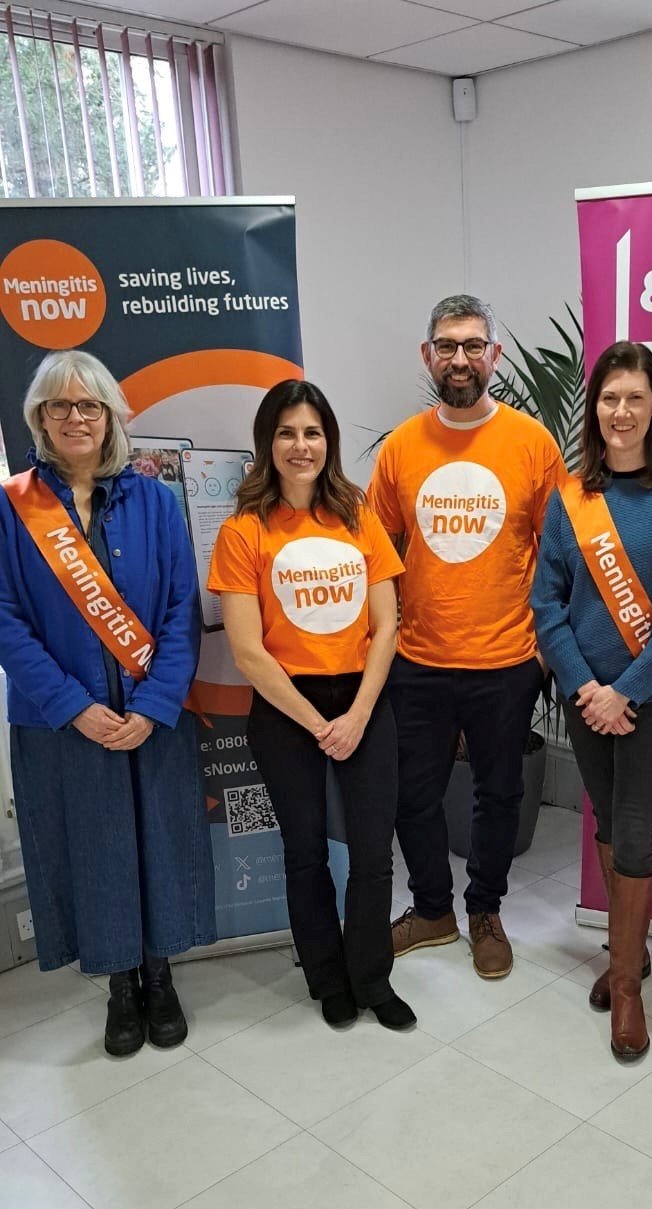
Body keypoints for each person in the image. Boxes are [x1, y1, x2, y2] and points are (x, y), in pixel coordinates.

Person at [0, 349, 215, 1057]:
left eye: (87, 404)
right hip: (63, 722)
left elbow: (183, 609)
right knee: (91, 850)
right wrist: (71, 704)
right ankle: (121, 983)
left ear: (110, 415)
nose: (73, 418)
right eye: (57, 405)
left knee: (157, 838)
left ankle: (161, 973)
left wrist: (153, 705)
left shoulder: (154, 499)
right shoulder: (13, 506)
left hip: (150, 714)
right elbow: (4, 618)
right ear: (38, 417)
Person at [368, 294, 565, 978]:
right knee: (409, 794)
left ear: (494, 356)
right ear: (427, 355)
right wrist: (386, 638)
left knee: (499, 793)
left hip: (507, 660)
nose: (459, 358)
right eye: (446, 345)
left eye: (472, 345)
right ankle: (430, 909)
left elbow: (560, 550)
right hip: (417, 659)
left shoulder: (532, 444)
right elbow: (378, 550)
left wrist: (543, 650)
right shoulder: (399, 449)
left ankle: (484, 909)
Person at [208, 379, 415, 1029]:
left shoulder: (356, 513)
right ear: (268, 443)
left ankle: (371, 978)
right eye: (288, 433)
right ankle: (328, 981)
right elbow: (247, 650)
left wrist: (355, 716)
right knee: (304, 851)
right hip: (286, 708)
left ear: (329, 441)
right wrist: (318, 723)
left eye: (314, 432)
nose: (302, 446)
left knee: (374, 852)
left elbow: (389, 624)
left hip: (362, 697)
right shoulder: (244, 530)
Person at [531, 340, 652, 1060]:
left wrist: (624, 691)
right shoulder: (570, 497)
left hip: (651, 700)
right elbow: (547, 601)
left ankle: (629, 988)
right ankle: (626, 955)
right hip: (585, 696)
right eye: (609, 397)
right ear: (595, 408)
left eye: (635, 397)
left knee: (633, 833)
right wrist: (585, 687)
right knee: (606, 821)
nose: (621, 410)